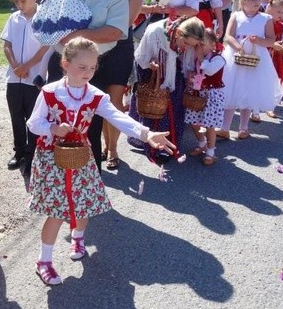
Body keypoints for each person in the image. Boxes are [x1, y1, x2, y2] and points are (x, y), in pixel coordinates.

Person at [26, 37, 175, 286]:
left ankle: (78, 237)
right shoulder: (51, 92)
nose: (88, 72)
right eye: (81, 67)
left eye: (92, 67)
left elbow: (118, 117)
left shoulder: (95, 96)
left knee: (83, 204)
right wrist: (52, 128)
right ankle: (44, 261)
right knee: (55, 211)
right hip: (52, 158)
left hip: (81, 156)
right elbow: (33, 123)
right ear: (65, 63)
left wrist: (146, 134)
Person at [46, 0, 130, 172]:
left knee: (88, 127)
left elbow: (115, 31)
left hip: (91, 71)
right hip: (60, 66)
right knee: (53, 120)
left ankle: (88, 182)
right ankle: (54, 179)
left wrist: (75, 34)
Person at [129, 0, 198, 153]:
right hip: (152, 34)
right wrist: (154, 8)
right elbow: (138, 6)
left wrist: (172, 10)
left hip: (176, 34)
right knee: (149, 78)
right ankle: (145, 136)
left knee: (170, 83)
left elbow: (194, 9)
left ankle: (169, 135)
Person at [32, 0, 113, 87]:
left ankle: (40, 76)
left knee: (52, 45)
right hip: (68, 8)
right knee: (72, 33)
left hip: (55, 9)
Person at [133, 16, 205, 162]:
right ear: (178, 32)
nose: (186, 47)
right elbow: (141, 58)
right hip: (155, 73)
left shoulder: (189, 39)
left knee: (175, 107)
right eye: (185, 43)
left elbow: (188, 60)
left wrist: (190, 70)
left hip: (176, 73)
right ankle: (153, 147)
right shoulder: (155, 32)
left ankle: (171, 144)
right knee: (155, 109)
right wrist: (150, 64)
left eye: (190, 45)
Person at [217, 0, 283, 140]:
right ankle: (225, 128)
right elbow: (228, 36)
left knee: (249, 90)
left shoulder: (265, 19)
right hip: (236, 56)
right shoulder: (236, 16)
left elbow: (271, 40)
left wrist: (259, 41)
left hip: (256, 56)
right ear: (242, 1)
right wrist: (238, 47)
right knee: (232, 91)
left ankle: (243, 127)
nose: (256, 2)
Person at [100, 0, 144, 170]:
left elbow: (128, 20)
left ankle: (113, 149)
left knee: (115, 101)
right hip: (96, 48)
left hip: (119, 47)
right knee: (98, 99)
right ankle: (101, 144)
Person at [1, 0, 48, 177]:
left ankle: (32, 154)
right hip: (14, 78)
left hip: (34, 78)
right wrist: (15, 67)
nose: (20, 6)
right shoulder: (14, 18)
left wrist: (27, 66)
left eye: (23, 1)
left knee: (33, 118)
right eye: (16, 2)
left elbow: (45, 47)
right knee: (16, 117)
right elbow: (7, 44)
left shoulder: (44, 18)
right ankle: (19, 151)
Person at [185, 26, 226, 166]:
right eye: (198, 44)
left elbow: (209, 71)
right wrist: (191, 76)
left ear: (213, 45)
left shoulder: (219, 59)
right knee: (194, 122)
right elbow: (196, 72)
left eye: (203, 44)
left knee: (209, 125)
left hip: (212, 95)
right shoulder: (197, 59)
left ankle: (210, 152)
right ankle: (202, 143)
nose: (199, 47)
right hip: (198, 93)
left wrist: (202, 58)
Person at [264, 0, 283, 119]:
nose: (281, 15)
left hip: (275, 58)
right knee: (259, 81)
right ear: (270, 8)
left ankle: (270, 106)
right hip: (263, 56)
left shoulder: (282, 26)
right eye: (278, 12)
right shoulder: (262, 21)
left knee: (273, 82)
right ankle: (254, 110)